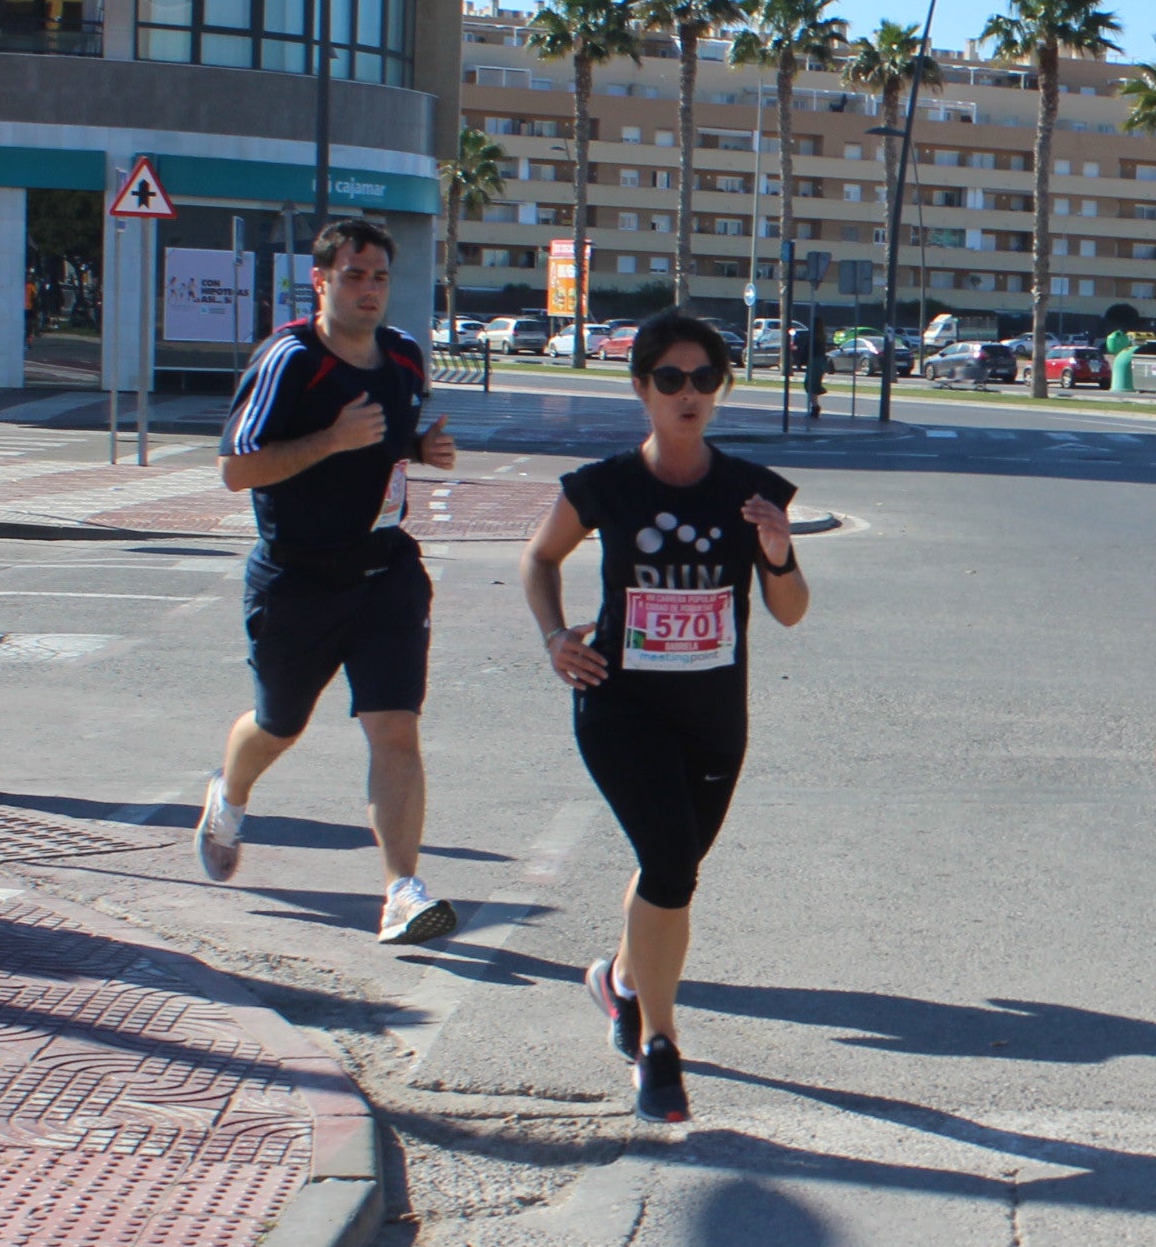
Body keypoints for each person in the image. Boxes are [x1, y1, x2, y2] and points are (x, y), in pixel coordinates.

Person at [519, 313, 807, 1121]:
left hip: (714, 716)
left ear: (721, 389)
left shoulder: (751, 492)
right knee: (672, 863)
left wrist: (778, 554)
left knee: (668, 871)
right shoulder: (605, 485)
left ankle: (614, 980)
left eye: (704, 379)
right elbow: (539, 558)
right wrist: (553, 637)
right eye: (671, 379)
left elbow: (789, 612)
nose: (689, 395)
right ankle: (660, 1042)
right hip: (620, 704)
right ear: (641, 387)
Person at [193, 218, 463, 943]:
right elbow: (236, 469)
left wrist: (421, 448)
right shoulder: (288, 359)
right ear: (320, 280)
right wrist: (330, 440)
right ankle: (231, 791)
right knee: (279, 723)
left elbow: (384, 442)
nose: (369, 290)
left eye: (379, 276)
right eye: (353, 275)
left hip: (385, 572)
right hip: (297, 581)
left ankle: (401, 891)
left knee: (396, 729)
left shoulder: (404, 356)